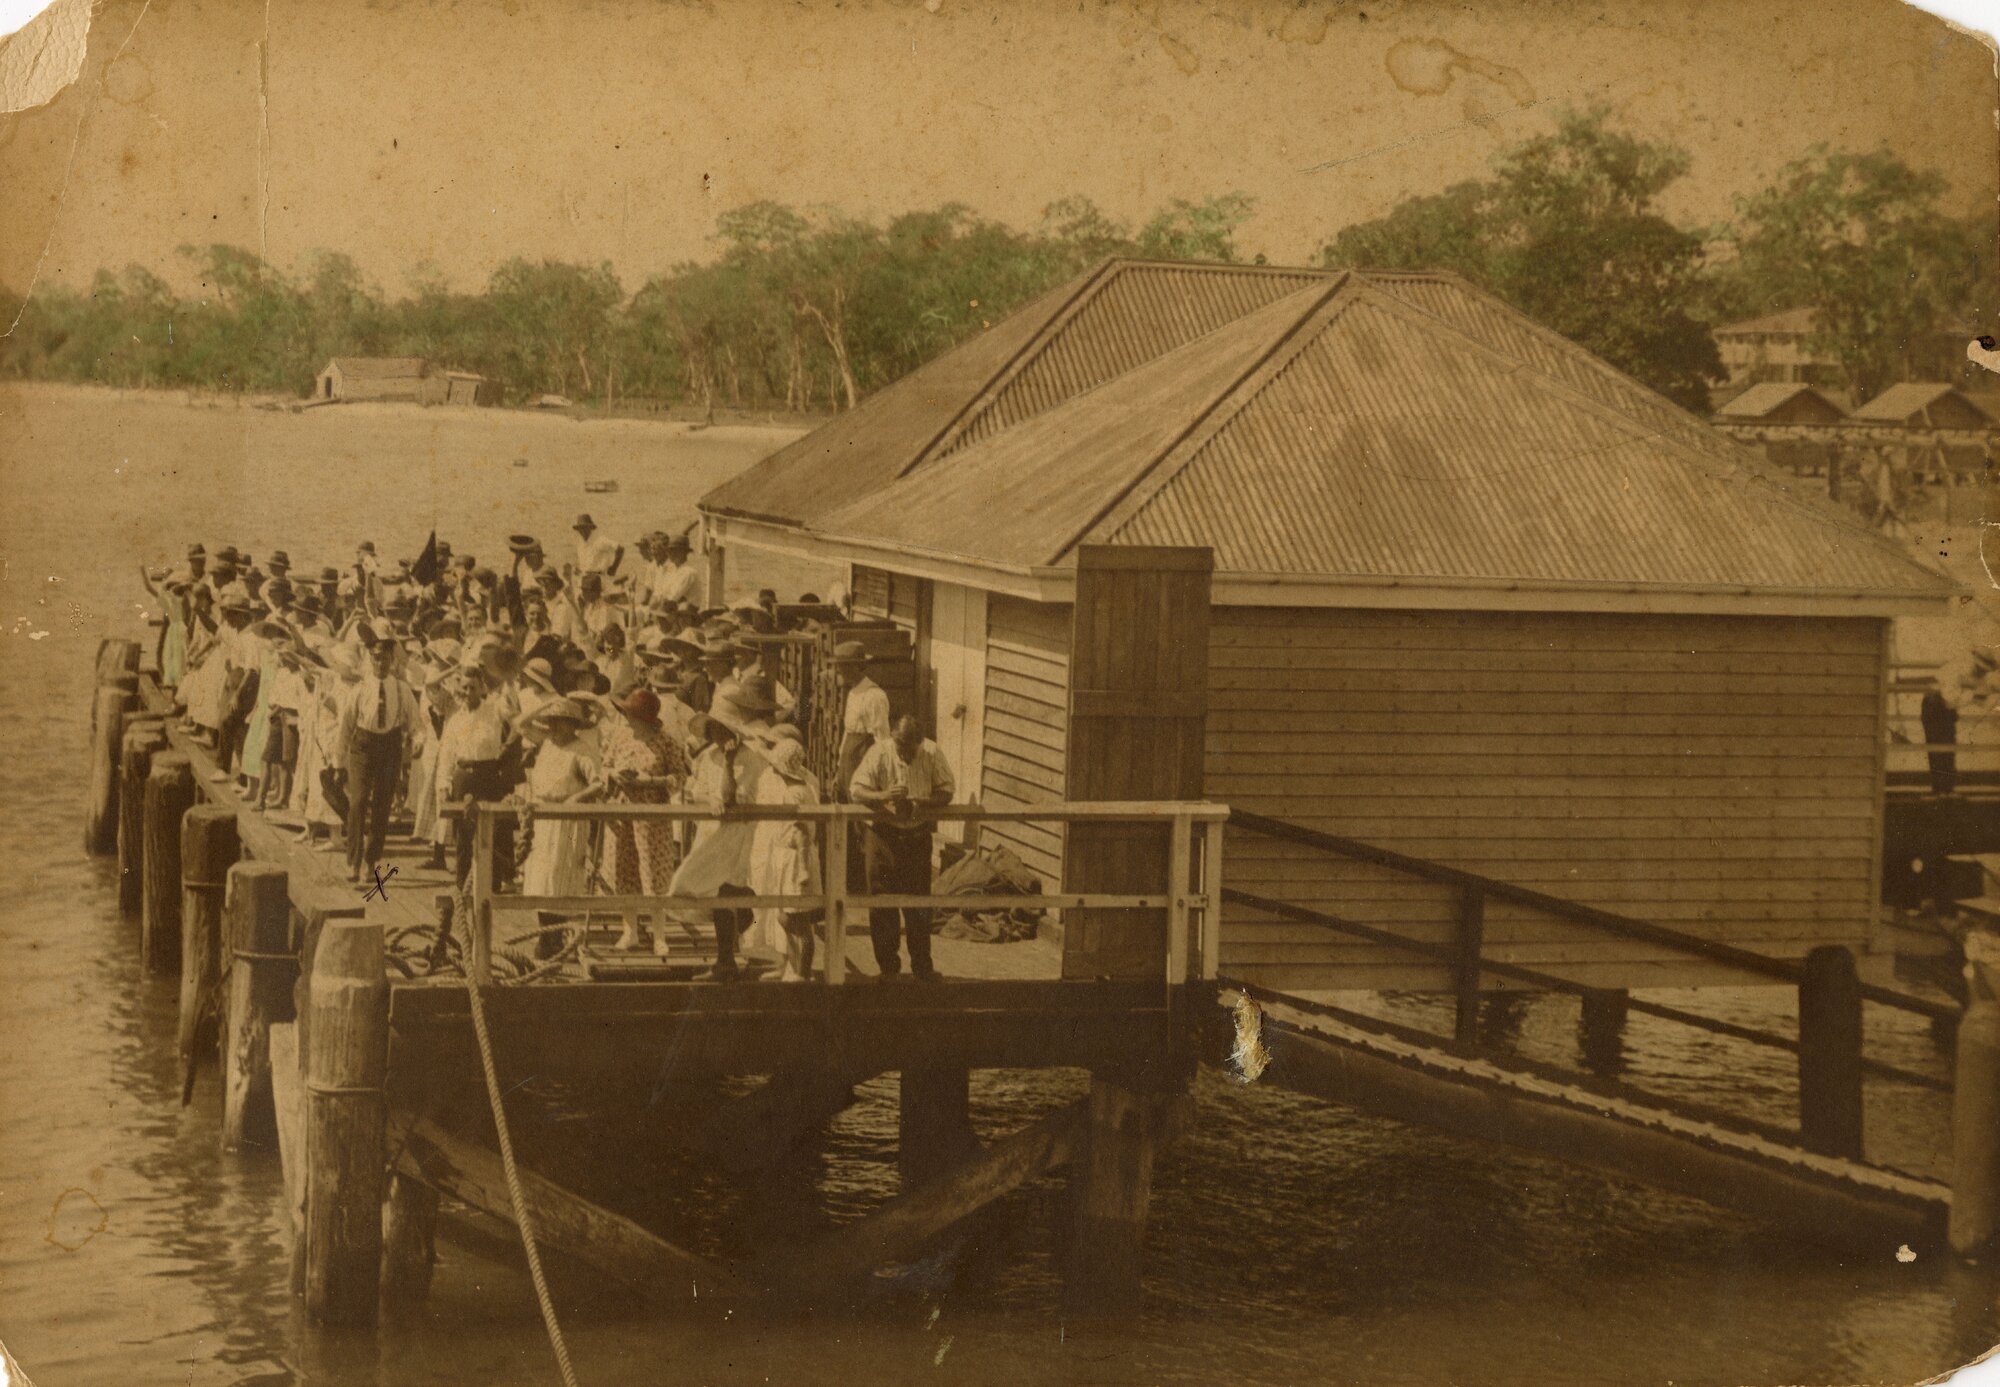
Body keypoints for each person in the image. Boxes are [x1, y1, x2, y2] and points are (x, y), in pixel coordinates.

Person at [849, 714, 955, 982]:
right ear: (894, 739)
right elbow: (856, 790)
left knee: (918, 904)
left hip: (916, 838)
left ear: (920, 743)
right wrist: (883, 796)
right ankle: (888, 970)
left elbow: (947, 790)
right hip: (883, 837)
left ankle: (922, 967)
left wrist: (924, 803)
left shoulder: (931, 752)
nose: (905, 752)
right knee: (882, 903)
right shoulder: (879, 752)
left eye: (911, 748)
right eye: (901, 746)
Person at [668, 711, 767, 978]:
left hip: (737, 832)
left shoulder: (749, 759)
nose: (715, 737)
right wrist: (709, 800)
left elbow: (734, 798)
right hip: (711, 832)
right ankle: (733, 941)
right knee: (692, 885)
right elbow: (696, 790)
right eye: (712, 731)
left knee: (727, 890)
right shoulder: (706, 756)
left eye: (721, 731)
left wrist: (729, 762)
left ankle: (726, 959)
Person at [600, 687, 689, 950]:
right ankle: (630, 931)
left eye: (631, 714)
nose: (627, 719)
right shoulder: (619, 737)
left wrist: (651, 780)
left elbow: (679, 777)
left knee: (653, 872)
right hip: (622, 811)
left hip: (652, 816)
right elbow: (604, 766)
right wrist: (614, 775)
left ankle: (660, 935)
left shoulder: (665, 742)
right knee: (624, 870)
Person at [339, 632, 420, 883]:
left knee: (382, 806)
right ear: (369, 659)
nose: (380, 664)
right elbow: (346, 726)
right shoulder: (360, 688)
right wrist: (337, 760)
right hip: (363, 745)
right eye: (375, 658)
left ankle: (370, 862)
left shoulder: (401, 688)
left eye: (384, 658)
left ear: (391, 660)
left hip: (390, 746)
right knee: (358, 802)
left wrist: (417, 742)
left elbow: (416, 724)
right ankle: (353, 861)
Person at [518, 698, 602, 935]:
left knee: (560, 875)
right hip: (542, 816)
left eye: (560, 722)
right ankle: (545, 933)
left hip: (567, 822)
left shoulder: (582, 750)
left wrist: (576, 799)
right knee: (540, 877)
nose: (554, 727)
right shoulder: (547, 743)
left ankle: (556, 934)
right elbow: (521, 725)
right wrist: (546, 704)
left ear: (573, 724)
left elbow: (599, 783)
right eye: (552, 722)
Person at [751, 732, 822, 982]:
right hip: (784, 855)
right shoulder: (795, 789)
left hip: (795, 859)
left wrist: (803, 869)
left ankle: (803, 971)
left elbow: (802, 832)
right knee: (784, 915)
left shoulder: (797, 793)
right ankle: (792, 965)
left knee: (797, 918)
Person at [832, 640, 892, 796]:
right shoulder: (853, 693)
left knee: (861, 806)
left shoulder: (874, 696)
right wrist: (840, 769)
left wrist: (882, 776)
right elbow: (848, 732)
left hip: (863, 758)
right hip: (848, 759)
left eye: (842, 666)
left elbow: (882, 738)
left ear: (856, 667)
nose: (838, 671)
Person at [572, 512, 622, 577]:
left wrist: (614, 567)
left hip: (598, 579)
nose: (583, 531)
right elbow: (583, 566)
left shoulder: (600, 540)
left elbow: (620, 548)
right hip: (584, 579)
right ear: (578, 530)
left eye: (585, 528)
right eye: (581, 528)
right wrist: (578, 570)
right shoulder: (580, 546)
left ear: (590, 528)